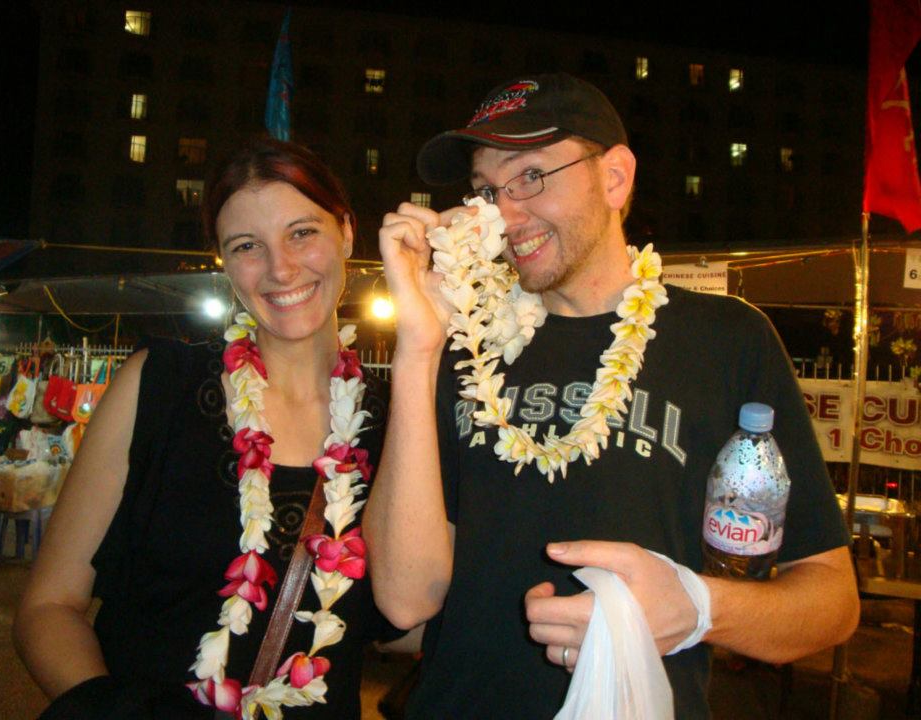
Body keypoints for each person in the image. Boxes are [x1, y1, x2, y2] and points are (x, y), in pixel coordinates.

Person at [364, 73, 860, 719]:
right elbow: (406, 600)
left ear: (615, 178)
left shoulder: (726, 339)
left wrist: (696, 608)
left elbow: (830, 603)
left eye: (532, 176)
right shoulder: (462, 344)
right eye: (487, 191)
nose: (505, 214)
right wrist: (420, 345)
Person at [15, 139, 401, 719]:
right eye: (248, 245)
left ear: (346, 232)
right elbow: (48, 607)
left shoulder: (398, 419)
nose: (281, 268)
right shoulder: (160, 386)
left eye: (302, 232)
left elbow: (410, 620)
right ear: (222, 258)